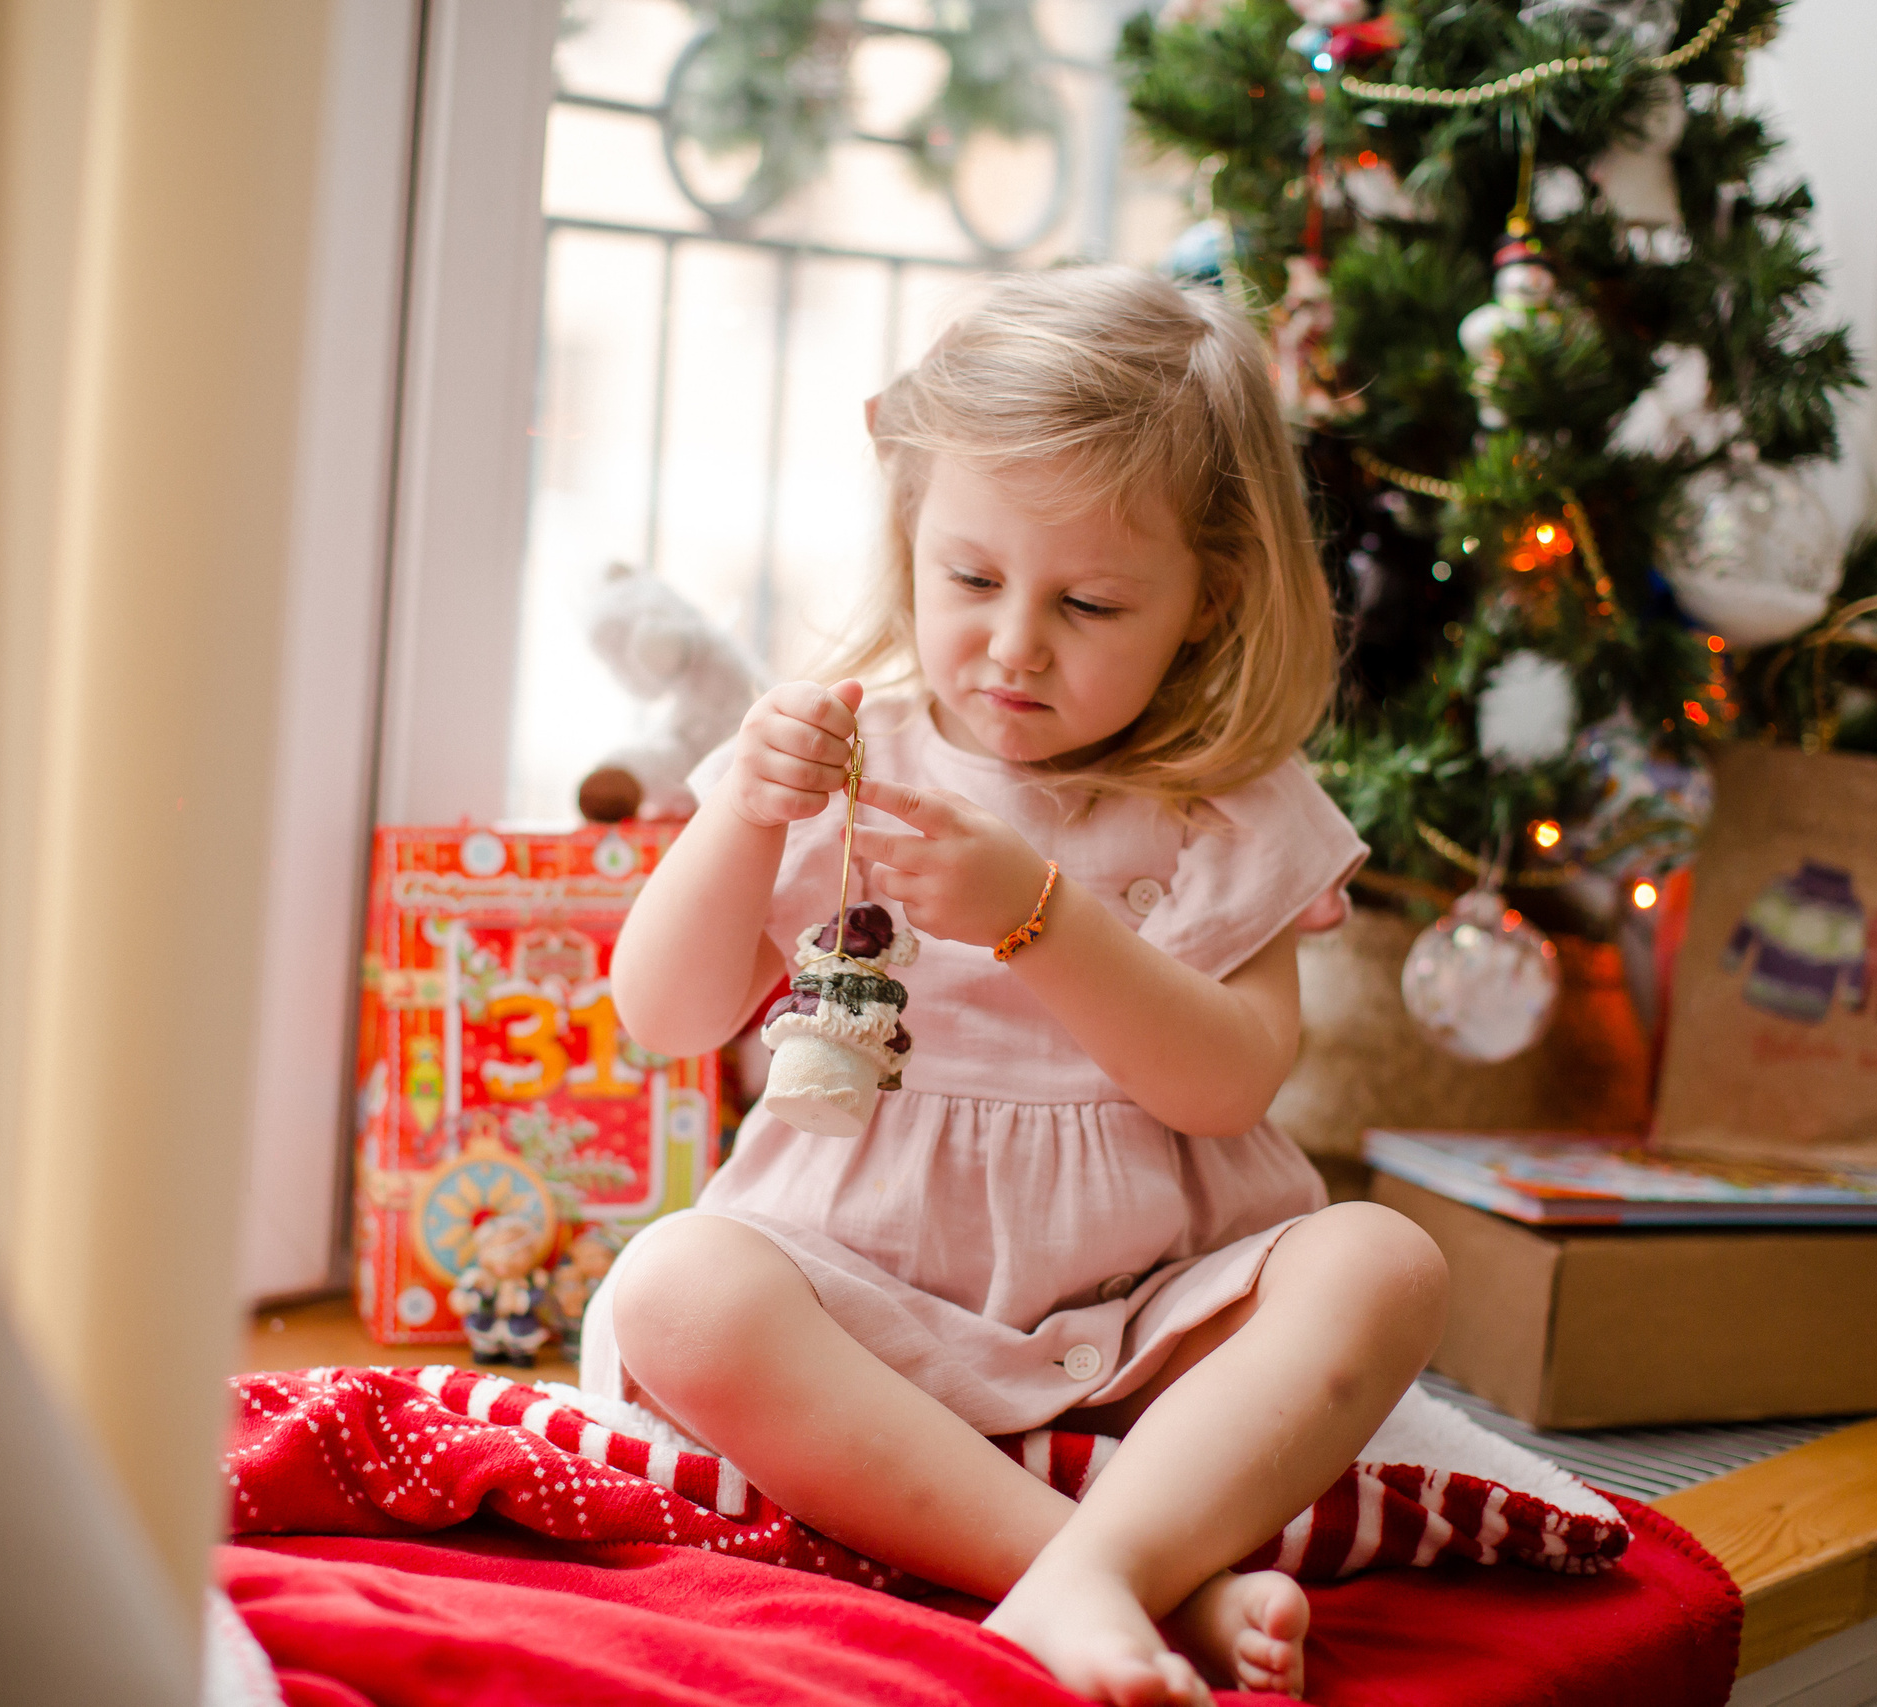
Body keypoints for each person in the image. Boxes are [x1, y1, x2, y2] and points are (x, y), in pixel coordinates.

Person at [592, 266, 1448, 1707]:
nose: (1013, 644)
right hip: (866, 1298)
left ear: (1207, 598)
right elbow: (666, 1017)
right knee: (670, 1290)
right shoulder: (855, 750)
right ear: (912, 538)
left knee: (1382, 1265)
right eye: (973, 579)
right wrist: (741, 811)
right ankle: (1090, 1569)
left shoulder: (1228, 803)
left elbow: (1228, 1081)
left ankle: (1099, 1565)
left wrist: (1035, 915)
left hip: (1153, 1312)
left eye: (1093, 602)